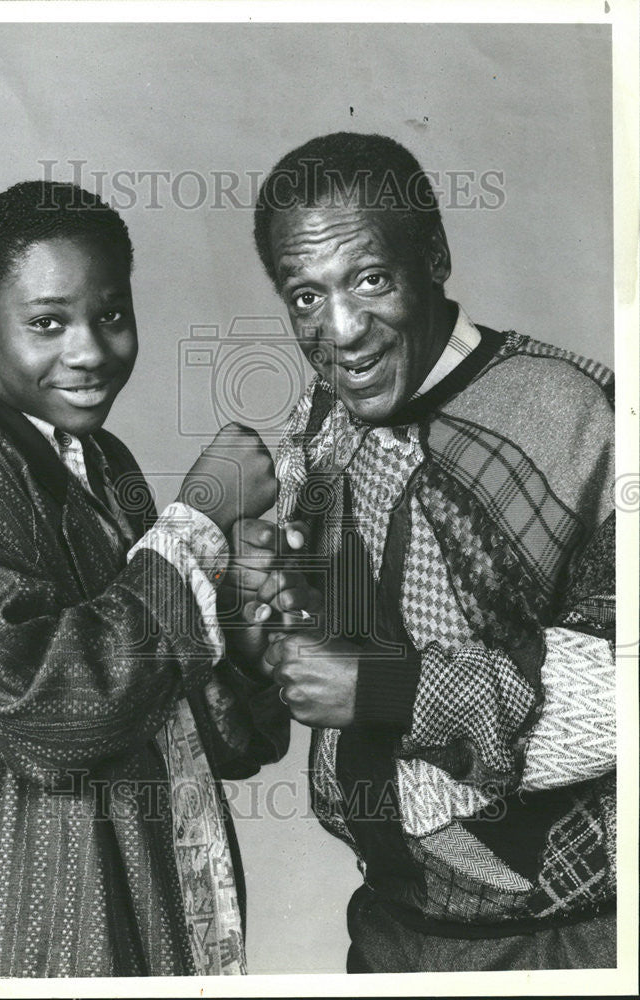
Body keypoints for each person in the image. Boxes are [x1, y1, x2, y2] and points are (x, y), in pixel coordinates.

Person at [224, 132, 616, 971]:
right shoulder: (322, 425)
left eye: (369, 280)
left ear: (434, 257)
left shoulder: (579, 410)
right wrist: (256, 602)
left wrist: (382, 689)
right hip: (389, 929)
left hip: (564, 946)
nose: (342, 333)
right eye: (304, 296)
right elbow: (303, 662)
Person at [0, 181, 307, 978]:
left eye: (111, 315)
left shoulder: (106, 467)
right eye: (47, 322)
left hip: (132, 912)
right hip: (14, 938)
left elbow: (161, 720)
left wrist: (243, 639)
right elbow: (57, 717)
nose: (88, 350)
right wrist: (197, 518)